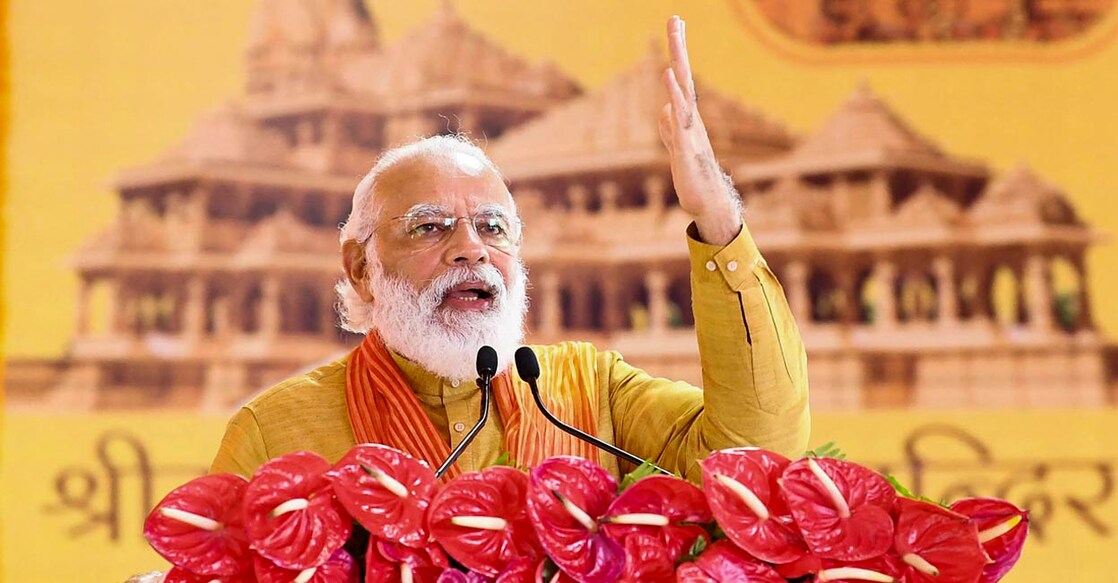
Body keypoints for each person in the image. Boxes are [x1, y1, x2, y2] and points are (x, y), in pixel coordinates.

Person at [210, 16, 809, 483]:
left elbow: (755, 460)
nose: (471, 249)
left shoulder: (588, 392)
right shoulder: (275, 434)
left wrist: (718, 218)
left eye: (494, 228)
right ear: (362, 268)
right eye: (429, 227)